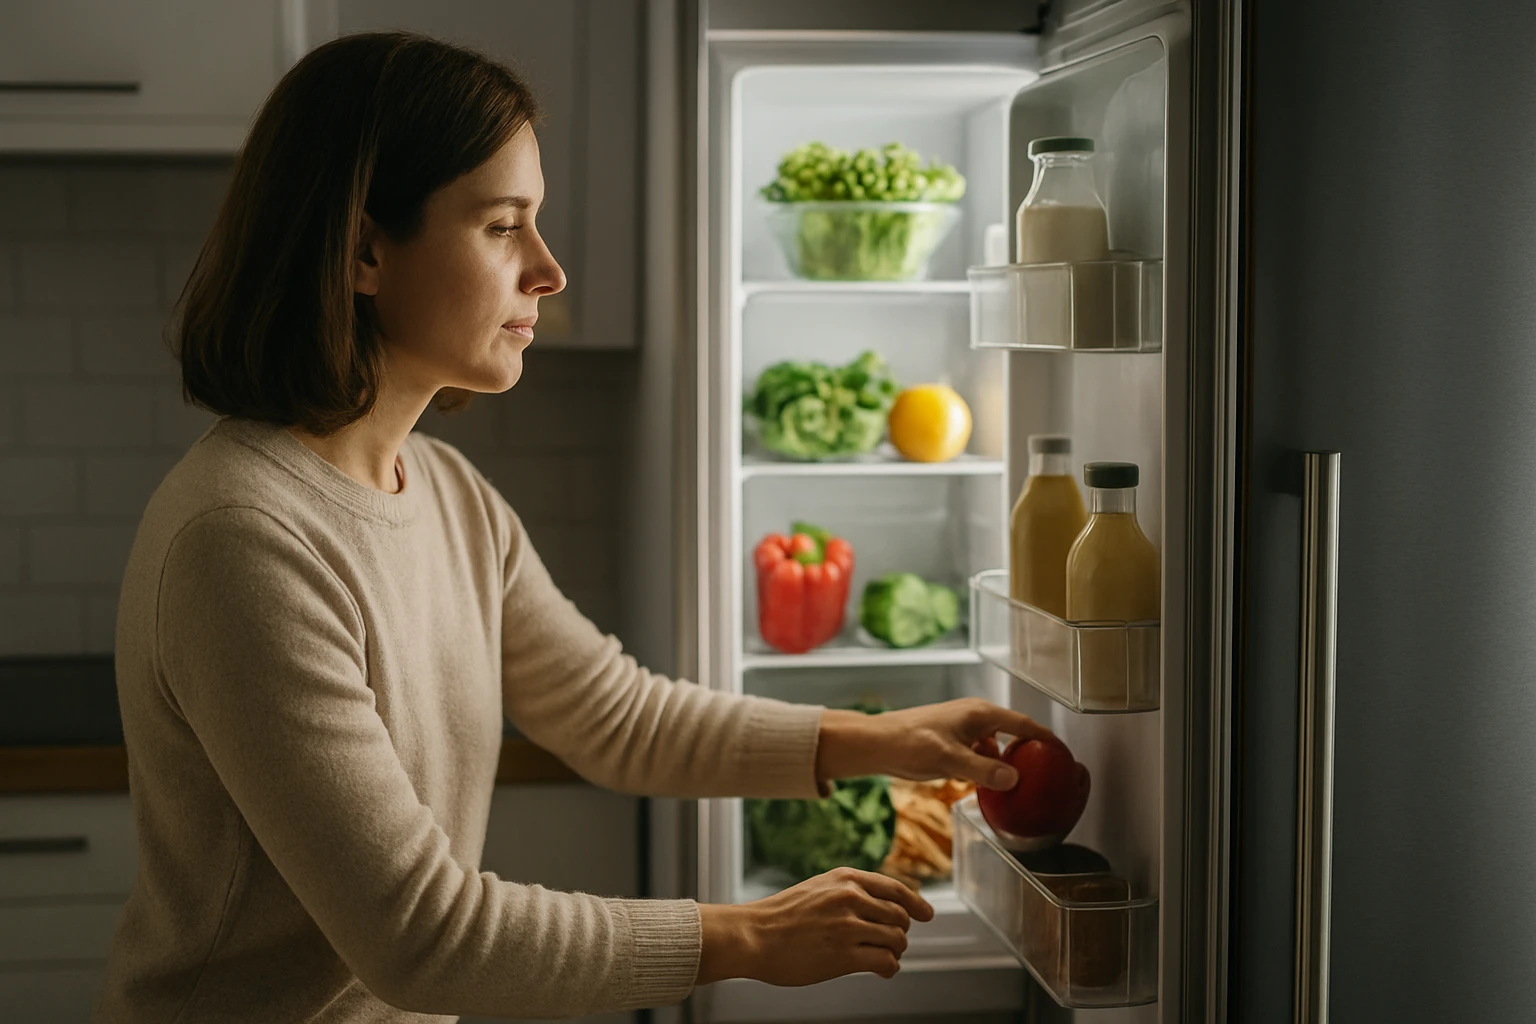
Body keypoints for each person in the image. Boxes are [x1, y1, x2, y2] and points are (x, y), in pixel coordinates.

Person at [94, 32, 1049, 1023]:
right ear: (365, 250)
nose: (548, 270)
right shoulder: (244, 539)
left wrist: (886, 739)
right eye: (504, 226)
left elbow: (617, 718)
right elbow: (422, 938)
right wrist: (746, 936)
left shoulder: (449, 495)